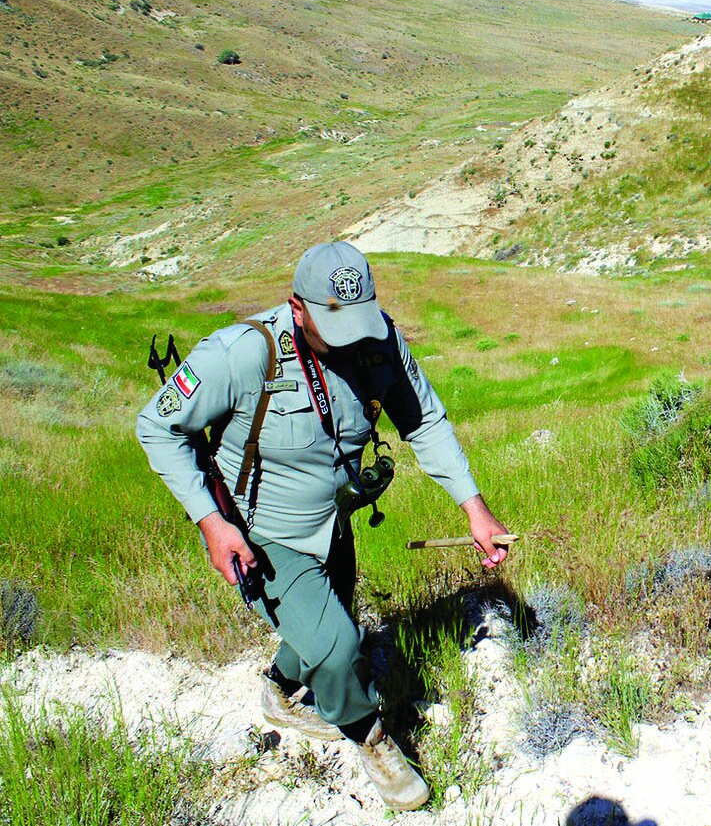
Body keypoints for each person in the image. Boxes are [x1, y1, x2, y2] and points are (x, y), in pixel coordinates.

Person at [137, 240, 509, 810]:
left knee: (328, 618)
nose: (353, 340)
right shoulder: (242, 353)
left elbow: (424, 419)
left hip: (333, 521)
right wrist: (212, 524)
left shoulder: (380, 342)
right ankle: (372, 738)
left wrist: (474, 507)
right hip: (262, 533)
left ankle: (279, 694)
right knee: (339, 647)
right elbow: (157, 427)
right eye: (335, 325)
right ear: (298, 306)